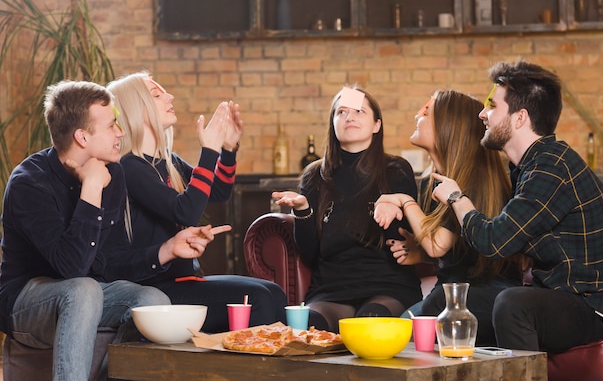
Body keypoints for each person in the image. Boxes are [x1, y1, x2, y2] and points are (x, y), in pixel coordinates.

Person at [0, 80, 219, 380]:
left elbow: (109, 262)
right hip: (26, 303)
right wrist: (90, 189)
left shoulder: (112, 173)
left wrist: (167, 249)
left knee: (153, 300)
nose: (121, 132)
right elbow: (72, 268)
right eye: (111, 125)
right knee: (83, 289)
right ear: (82, 137)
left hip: (87, 293)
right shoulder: (29, 182)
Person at [431, 60, 603, 352]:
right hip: (553, 297)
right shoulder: (526, 169)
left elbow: (494, 241)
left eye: (492, 106)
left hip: (587, 307)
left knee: (512, 303)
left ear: (520, 118)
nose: (483, 114)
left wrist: (457, 198)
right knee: (449, 303)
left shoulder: (552, 166)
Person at [106, 71, 287, 333]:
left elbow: (217, 193)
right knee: (259, 299)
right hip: (157, 287)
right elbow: (186, 211)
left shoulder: (170, 161)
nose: (170, 96)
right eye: (157, 94)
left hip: (185, 280)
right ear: (137, 110)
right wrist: (209, 150)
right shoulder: (131, 167)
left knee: (273, 292)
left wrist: (227, 150)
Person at [373, 89, 524, 346]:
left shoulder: (471, 180)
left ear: (448, 126)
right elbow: (453, 250)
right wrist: (420, 253)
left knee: (406, 329)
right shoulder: (434, 182)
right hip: (451, 293)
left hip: (488, 296)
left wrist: (404, 200)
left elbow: (436, 244)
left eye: (426, 111)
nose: (417, 114)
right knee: (392, 334)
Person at [272, 86, 421, 333]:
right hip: (332, 288)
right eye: (341, 112)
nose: (349, 117)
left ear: (376, 125)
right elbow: (309, 253)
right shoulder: (314, 176)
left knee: (369, 326)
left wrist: (393, 204)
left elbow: (401, 243)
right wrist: (303, 210)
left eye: (359, 111)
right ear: (333, 124)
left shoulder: (395, 170)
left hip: (386, 285)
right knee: (307, 329)